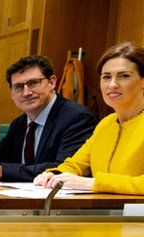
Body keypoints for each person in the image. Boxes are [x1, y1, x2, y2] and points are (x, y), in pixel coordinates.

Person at [0, 55, 96, 181]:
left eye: (33, 83)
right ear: (12, 94)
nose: (26, 92)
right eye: (18, 87)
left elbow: (62, 169)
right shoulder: (19, 123)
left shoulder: (77, 118)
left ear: (52, 82)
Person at [35, 42, 144, 194]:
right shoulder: (105, 124)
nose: (112, 84)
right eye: (106, 77)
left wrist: (93, 183)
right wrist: (54, 175)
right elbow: (75, 164)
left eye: (124, 76)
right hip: (103, 212)